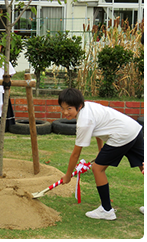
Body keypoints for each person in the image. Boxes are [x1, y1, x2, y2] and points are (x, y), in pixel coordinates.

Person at [59, 88, 144, 220]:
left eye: (69, 108)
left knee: (98, 168)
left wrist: (68, 176)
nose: (65, 112)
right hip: (134, 129)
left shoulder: (83, 122)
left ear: (79, 106)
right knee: (143, 165)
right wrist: (101, 151)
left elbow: (76, 154)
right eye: (62, 108)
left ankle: (106, 210)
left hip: (122, 135)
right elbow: (98, 130)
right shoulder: (89, 106)